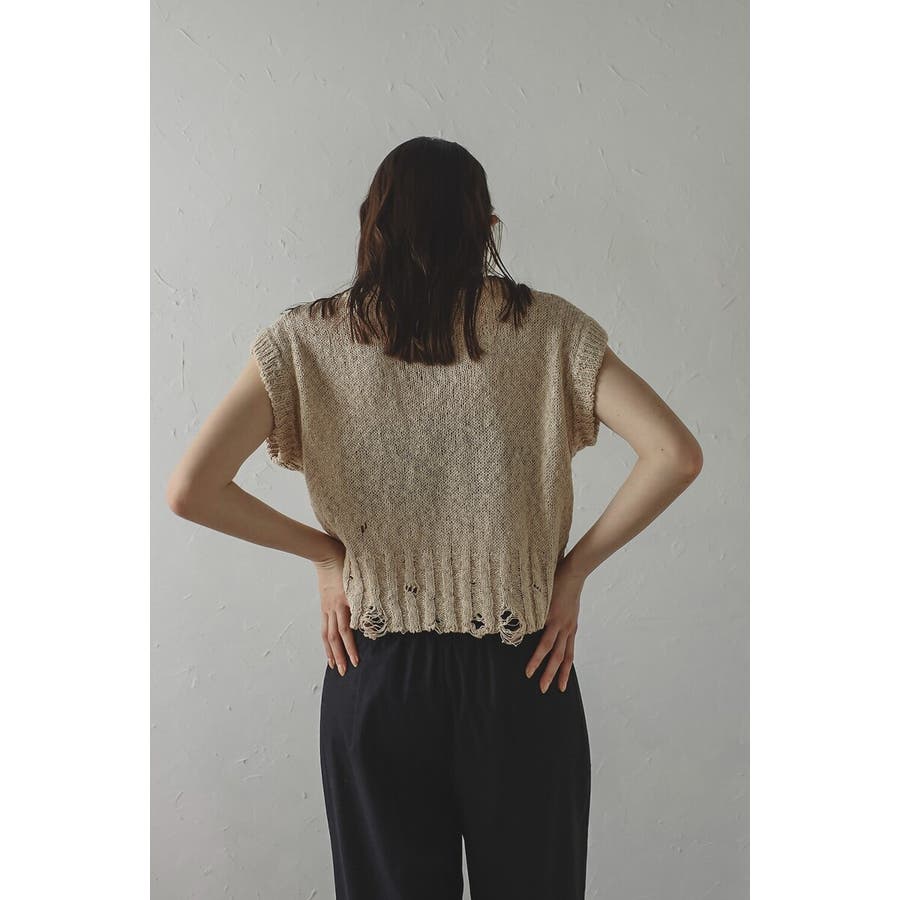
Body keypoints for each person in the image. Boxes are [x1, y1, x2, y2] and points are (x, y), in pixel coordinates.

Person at [166, 136, 703, 900]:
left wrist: (328, 556)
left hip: (375, 672)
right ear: (487, 227)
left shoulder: (303, 340)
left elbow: (192, 489)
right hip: (522, 669)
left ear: (372, 223)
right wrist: (571, 574)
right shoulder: (550, 330)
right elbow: (675, 454)